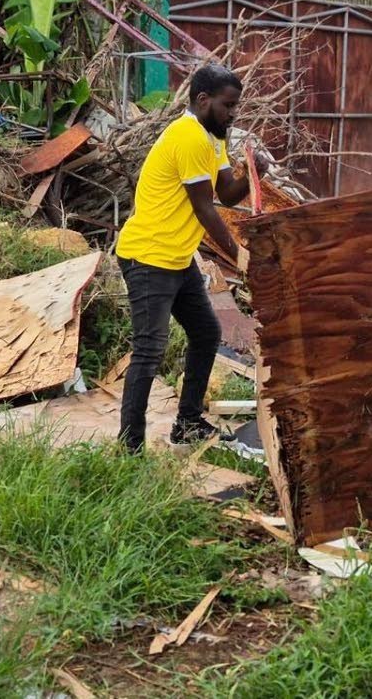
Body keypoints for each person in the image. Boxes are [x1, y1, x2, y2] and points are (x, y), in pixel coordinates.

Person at [115, 64, 268, 452]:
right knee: (149, 350)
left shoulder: (212, 137)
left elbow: (228, 195)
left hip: (177, 258)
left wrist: (253, 175)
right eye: (228, 105)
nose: (233, 113)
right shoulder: (188, 137)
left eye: (236, 106)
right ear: (203, 101)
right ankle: (129, 447)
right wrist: (239, 255)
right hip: (149, 256)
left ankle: (187, 424)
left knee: (205, 334)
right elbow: (206, 209)